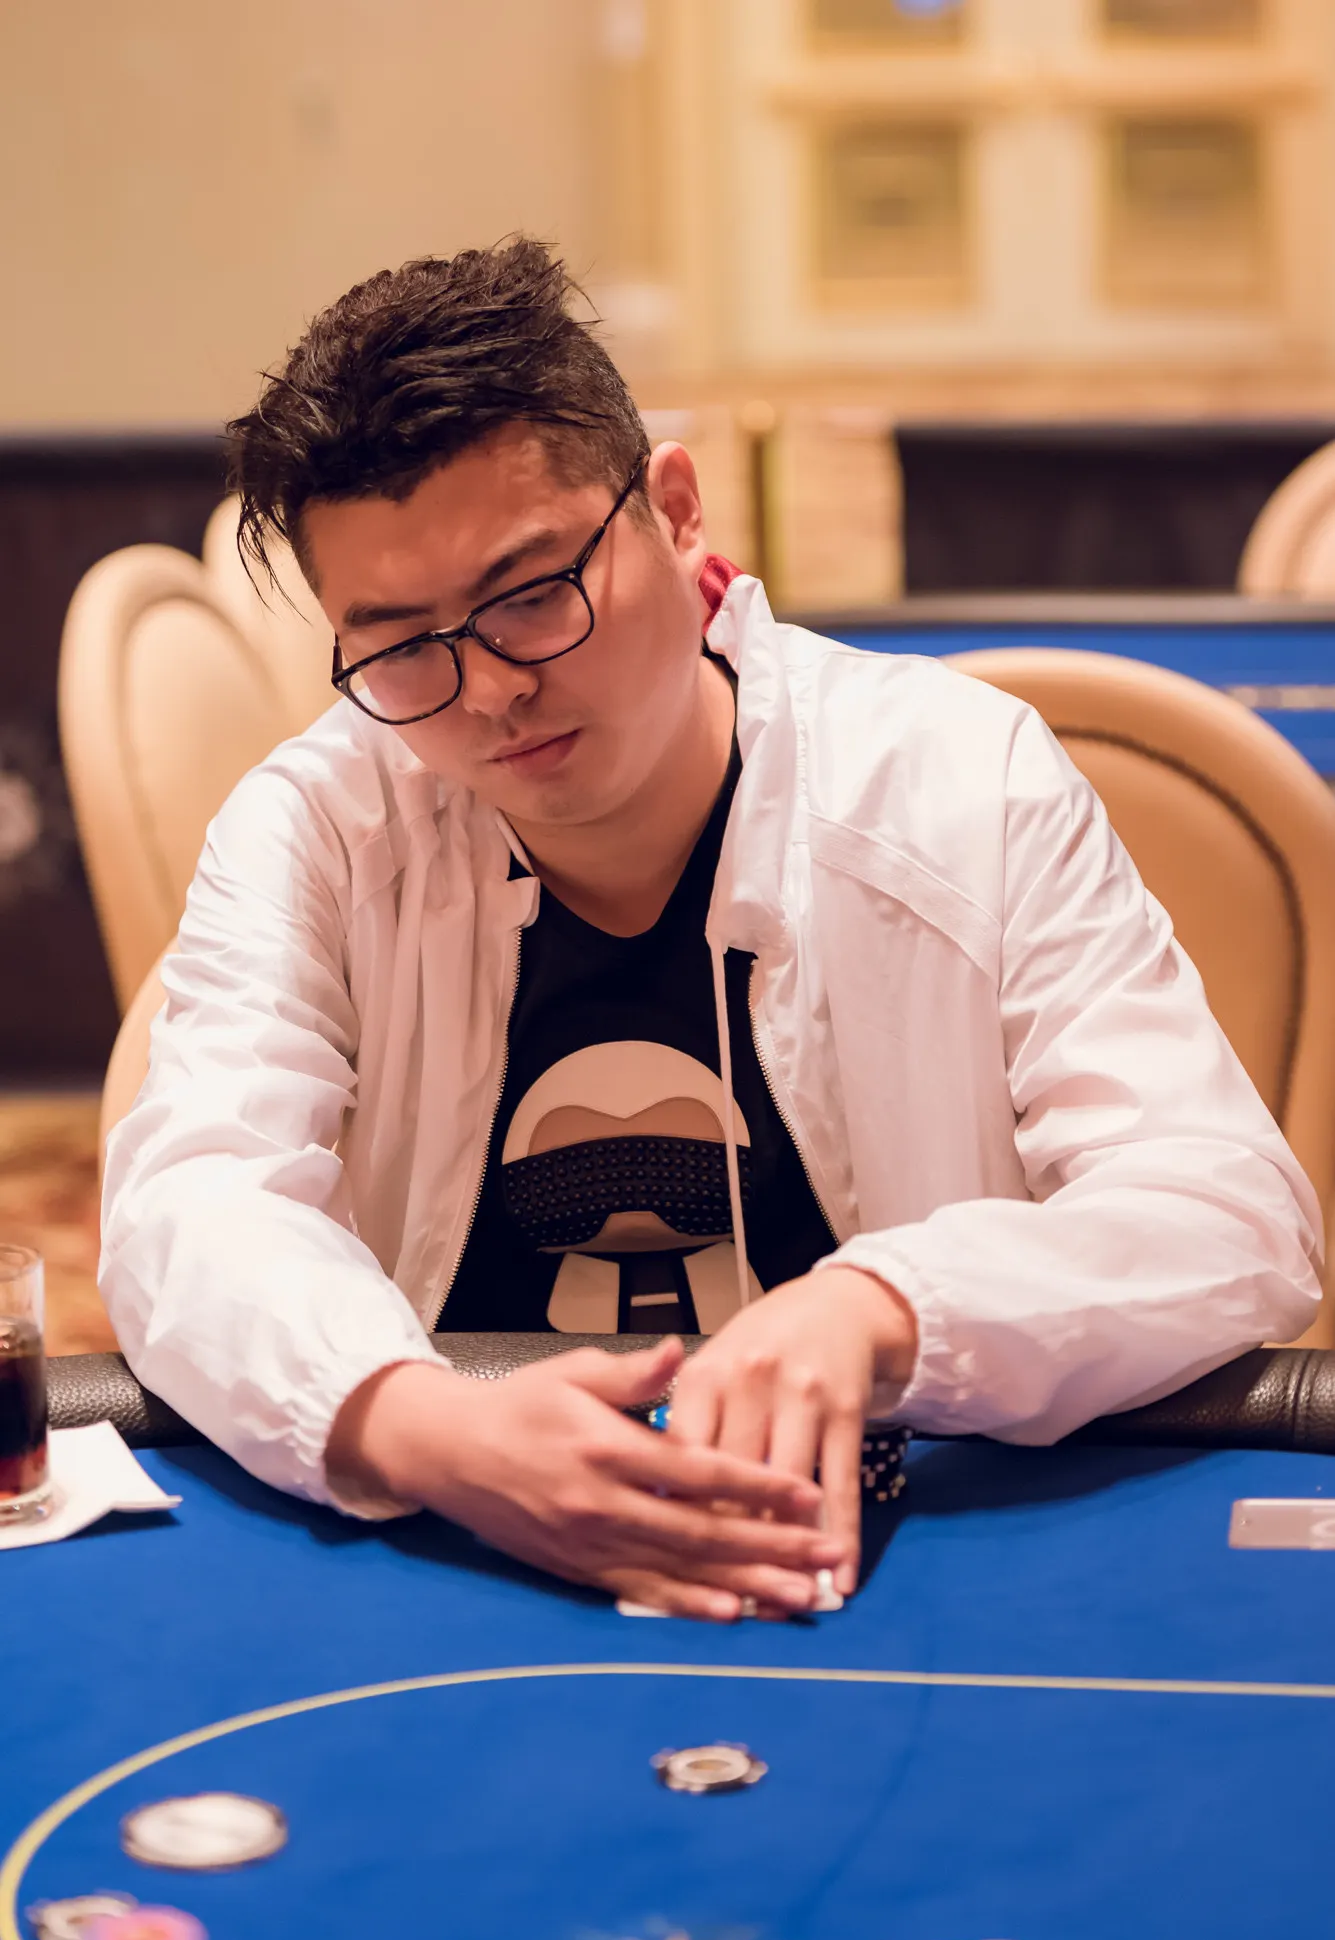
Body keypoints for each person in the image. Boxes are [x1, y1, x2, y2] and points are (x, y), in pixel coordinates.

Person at [100, 239, 1321, 1621]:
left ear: (675, 515)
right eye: (399, 646)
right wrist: (409, 1420)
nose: (488, 692)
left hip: (905, 1568)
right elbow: (189, 1207)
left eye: (530, 595)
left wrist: (886, 1307)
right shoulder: (318, 827)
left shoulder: (957, 780)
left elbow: (1220, 1211)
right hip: (480, 1558)